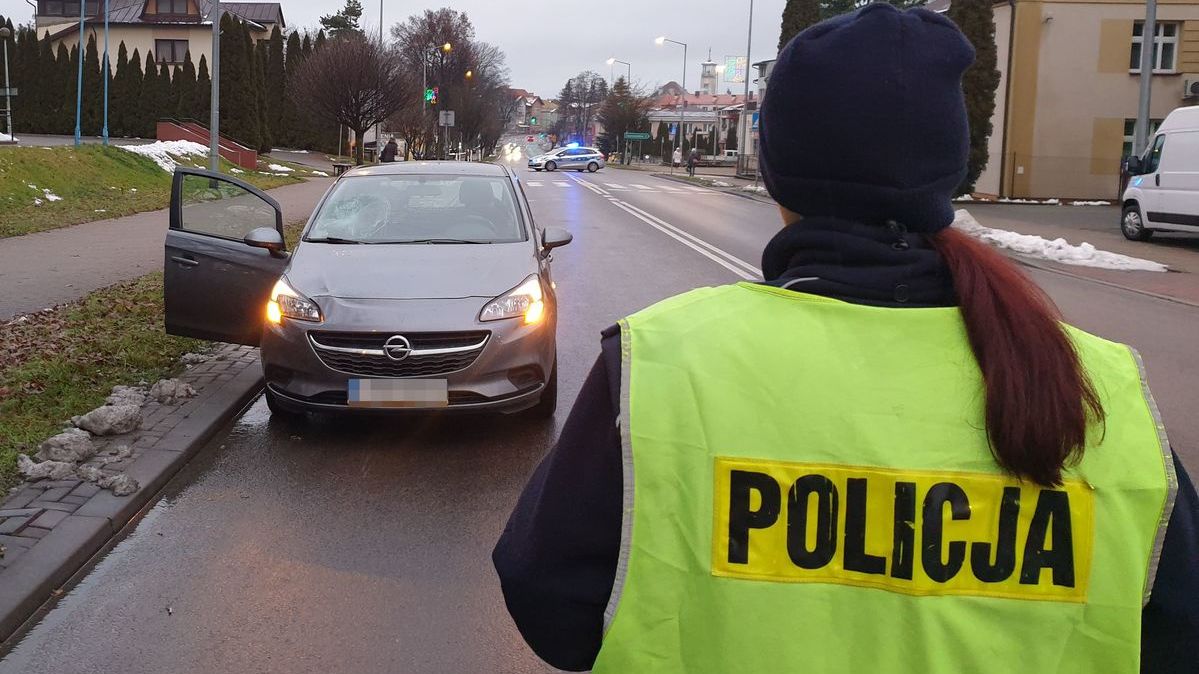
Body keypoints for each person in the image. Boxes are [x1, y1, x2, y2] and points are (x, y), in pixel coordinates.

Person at [493, 4, 1199, 673]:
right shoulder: (1100, 395)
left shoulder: (663, 365)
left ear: (777, 172)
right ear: (947, 171)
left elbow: (545, 595)